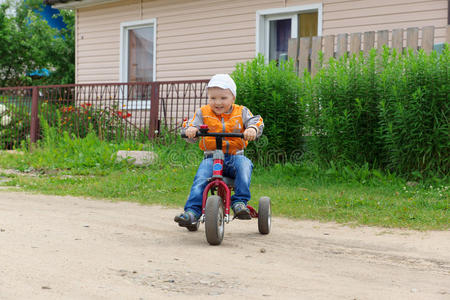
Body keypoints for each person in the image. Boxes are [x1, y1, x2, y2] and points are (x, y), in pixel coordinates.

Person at [174, 74, 264, 227]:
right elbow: (191, 124)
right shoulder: (203, 112)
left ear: (233, 98)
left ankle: (239, 202)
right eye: (213, 98)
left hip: (235, 157)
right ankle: (192, 212)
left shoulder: (241, 112)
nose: (218, 102)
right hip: (211, 159)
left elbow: (256, 120)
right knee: (201, 178)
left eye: (223, 98)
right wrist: (191, 129)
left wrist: (252, 129)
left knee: (245, 165)